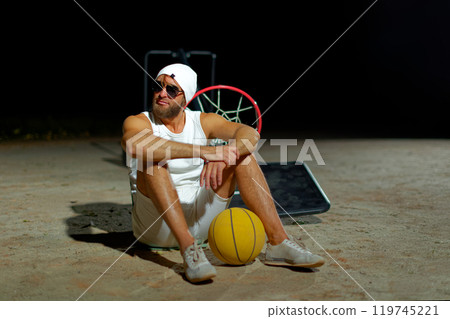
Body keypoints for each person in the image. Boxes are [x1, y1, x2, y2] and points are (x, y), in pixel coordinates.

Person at [121, 63, 325, 283]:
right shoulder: (139, 121)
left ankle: (279, 243)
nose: (162, 93)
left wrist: (229, 153)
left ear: (185, 98)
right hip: (156, 225)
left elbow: (249, 134)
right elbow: (134, 145)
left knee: (244, 156)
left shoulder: (202, 121)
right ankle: (189, 250)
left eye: (171, 89)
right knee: (152, 159)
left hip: (203, 222)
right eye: (157, 86)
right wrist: (207, 152)